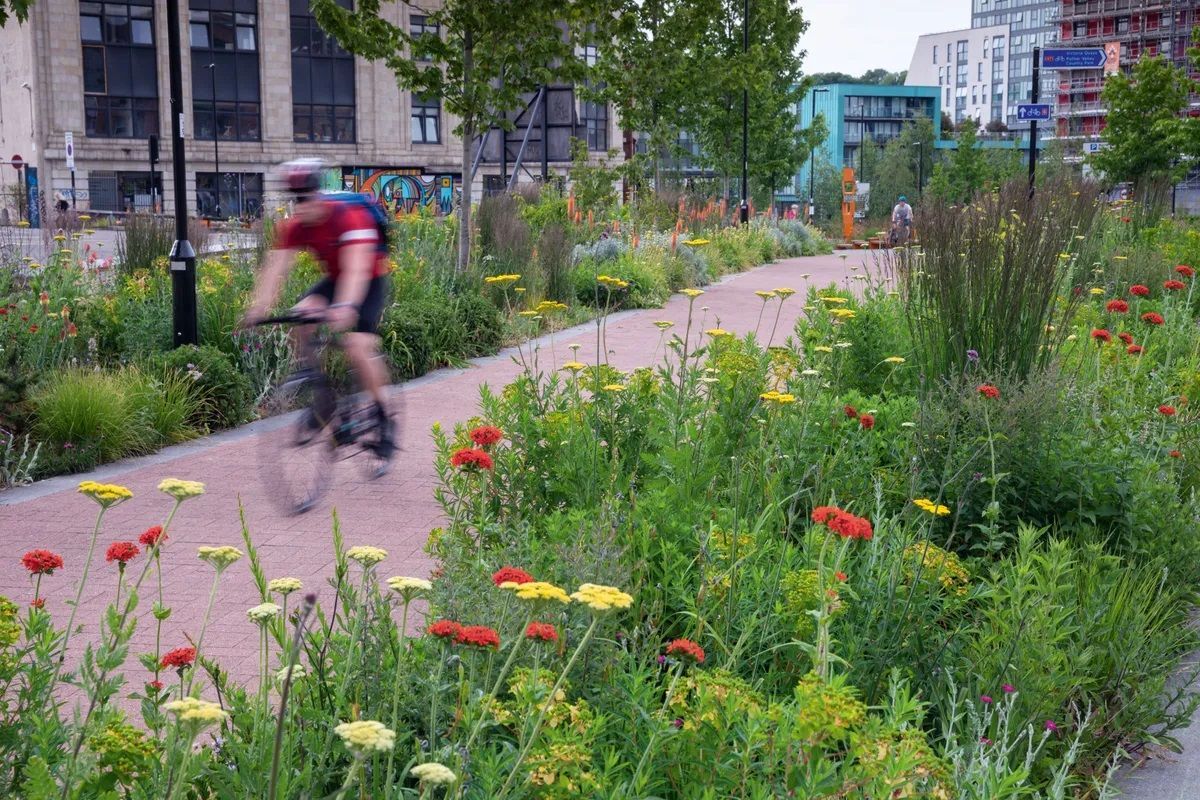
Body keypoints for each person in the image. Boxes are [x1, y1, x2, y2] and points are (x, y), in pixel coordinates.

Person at [241, 158, 394, 459]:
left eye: (307, 197)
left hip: (369, 277)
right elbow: (275, 270)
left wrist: (347, 307)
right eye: (296, 199)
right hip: (336, 278)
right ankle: (322, 396)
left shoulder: (348, 216)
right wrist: (258, 308)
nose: (302, 205)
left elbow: (357, 269)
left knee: (357, 346)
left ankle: (382, 415)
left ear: (318, 193)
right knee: (300, 316)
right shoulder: (295, 226)